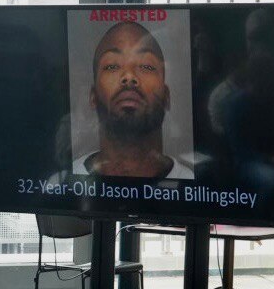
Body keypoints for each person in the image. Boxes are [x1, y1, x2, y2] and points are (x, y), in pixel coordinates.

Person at [77, 21, 192, 178]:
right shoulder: (58, 186)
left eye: (146, 66)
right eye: (112, 66)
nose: (129, 77)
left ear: (166, 96)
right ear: (93, 96)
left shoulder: (200, 189)